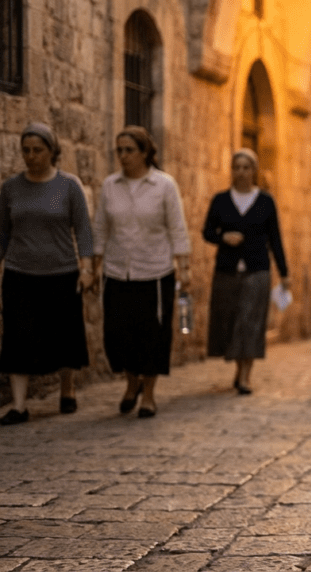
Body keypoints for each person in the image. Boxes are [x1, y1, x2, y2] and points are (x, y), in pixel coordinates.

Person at [0, 123, 94, 425]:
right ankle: (18, 405)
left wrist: (87, 267)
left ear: (52, 151)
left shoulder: (69, 186)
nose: (31, 156)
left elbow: (83, 229)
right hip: (19, 273)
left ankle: (67, 390)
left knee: (65, 334)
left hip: (62, 272)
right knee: (17, 337)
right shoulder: (10, 189)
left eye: (37, 150)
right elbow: (2, 234)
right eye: (26, 150)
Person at [94, 126, 191, 418]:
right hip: (117, 271)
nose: (123, 156)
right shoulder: (110, 185)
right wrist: (92, 265)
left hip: (155, 272)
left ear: (145, 152)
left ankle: (148, 394)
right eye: (119, 150)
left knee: (152, 336)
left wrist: (184, 267)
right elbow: (100, 227)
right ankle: (131, 381)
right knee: (118, 335)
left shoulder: (164, 185)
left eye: (129, 150)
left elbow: (177, 227)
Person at [202, 148, 289, 395]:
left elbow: (276, 239)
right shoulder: (220, 200)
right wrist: (223, 237)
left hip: (257, 270)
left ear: (254, 171)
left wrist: (285, 273)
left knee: (250, 322)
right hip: (227, 271)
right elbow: (207, 231)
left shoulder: (265, 201)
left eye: (246, 167)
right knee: (231, 320)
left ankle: (245, 376)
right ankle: (238, 368)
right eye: (236, 167)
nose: (240, 172)